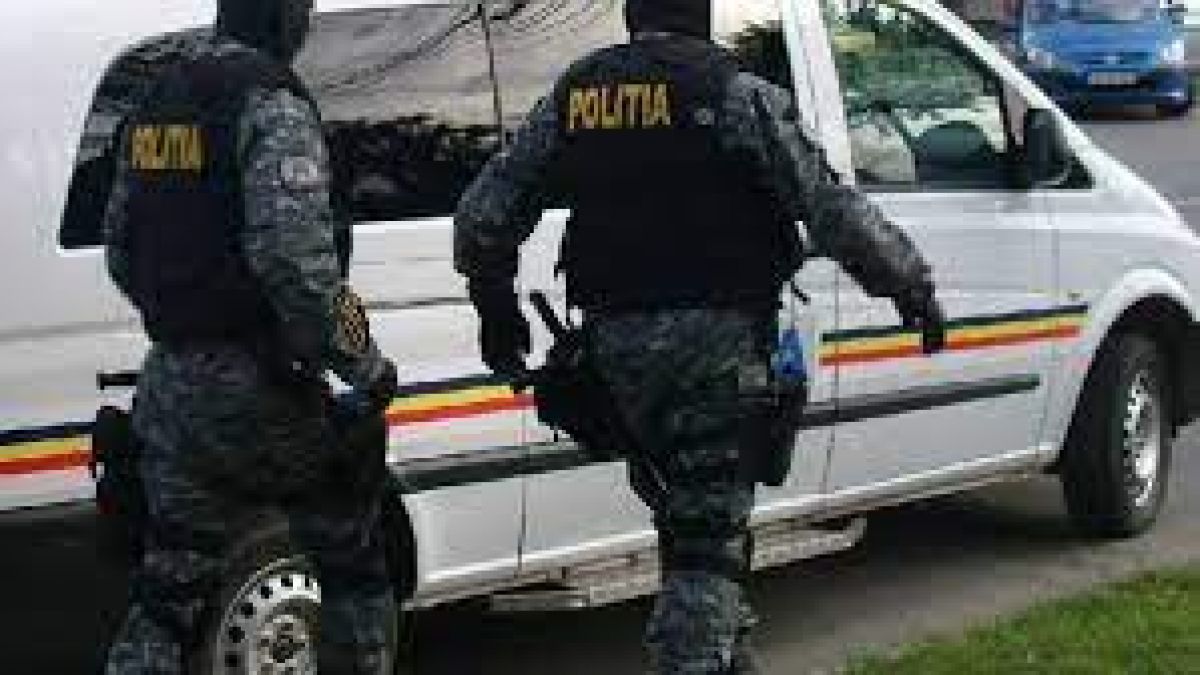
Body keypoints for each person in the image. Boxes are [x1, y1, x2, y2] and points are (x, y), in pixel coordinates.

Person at [455, 0, 948, 672]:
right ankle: (694, 656)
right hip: (715, 357)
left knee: (689, 528)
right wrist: (909, 286)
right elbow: (829, 207)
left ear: (632, 14)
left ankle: (721, 653)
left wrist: (495, 310)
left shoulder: (577, 96)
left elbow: (484, 216)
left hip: (613, 361)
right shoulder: (733, 93)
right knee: (707, 550)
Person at [101, 1, 399, 672]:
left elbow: (120, 249)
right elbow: (295, 265)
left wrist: (185, 317)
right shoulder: (269, 100)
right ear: (281, 17)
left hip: (170, 388)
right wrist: (365, 368)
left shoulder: (157, 100)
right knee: (352, 562)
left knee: (168, 594)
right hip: (264, 388)